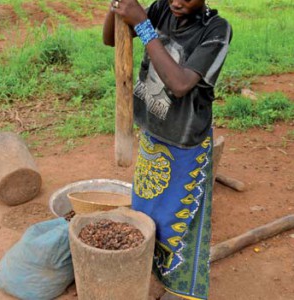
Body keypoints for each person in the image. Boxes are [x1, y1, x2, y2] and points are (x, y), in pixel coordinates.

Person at [103, 0, 232, 299]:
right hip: (153, 133)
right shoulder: (162, 8)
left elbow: (180, 83)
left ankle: (179, 289)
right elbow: (111, 38)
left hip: (185, 142)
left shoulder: (216, 29)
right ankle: (149, 275)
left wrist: (143, 26)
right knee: (147, 212)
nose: (177, 1)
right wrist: (117, 7)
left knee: (178, 224)